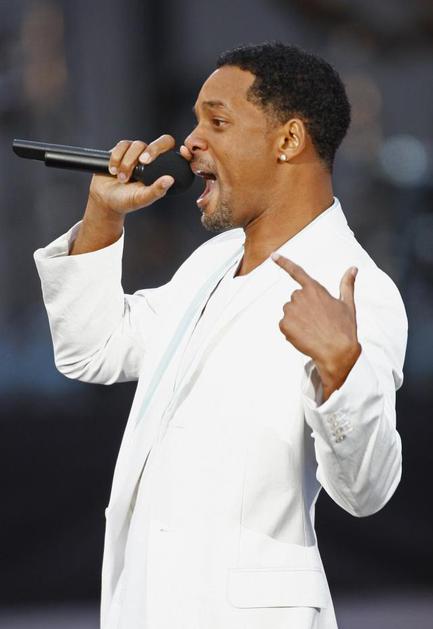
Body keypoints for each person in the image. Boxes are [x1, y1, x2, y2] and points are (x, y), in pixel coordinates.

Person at [34, 42, 408, 629]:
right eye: (195, 122)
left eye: (217, 121)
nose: (190, 143)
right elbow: (93, 351)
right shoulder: (212, 262)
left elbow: (366, 492)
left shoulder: (355, 287)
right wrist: (103, 216)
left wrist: (342, 372)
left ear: (289, 140)